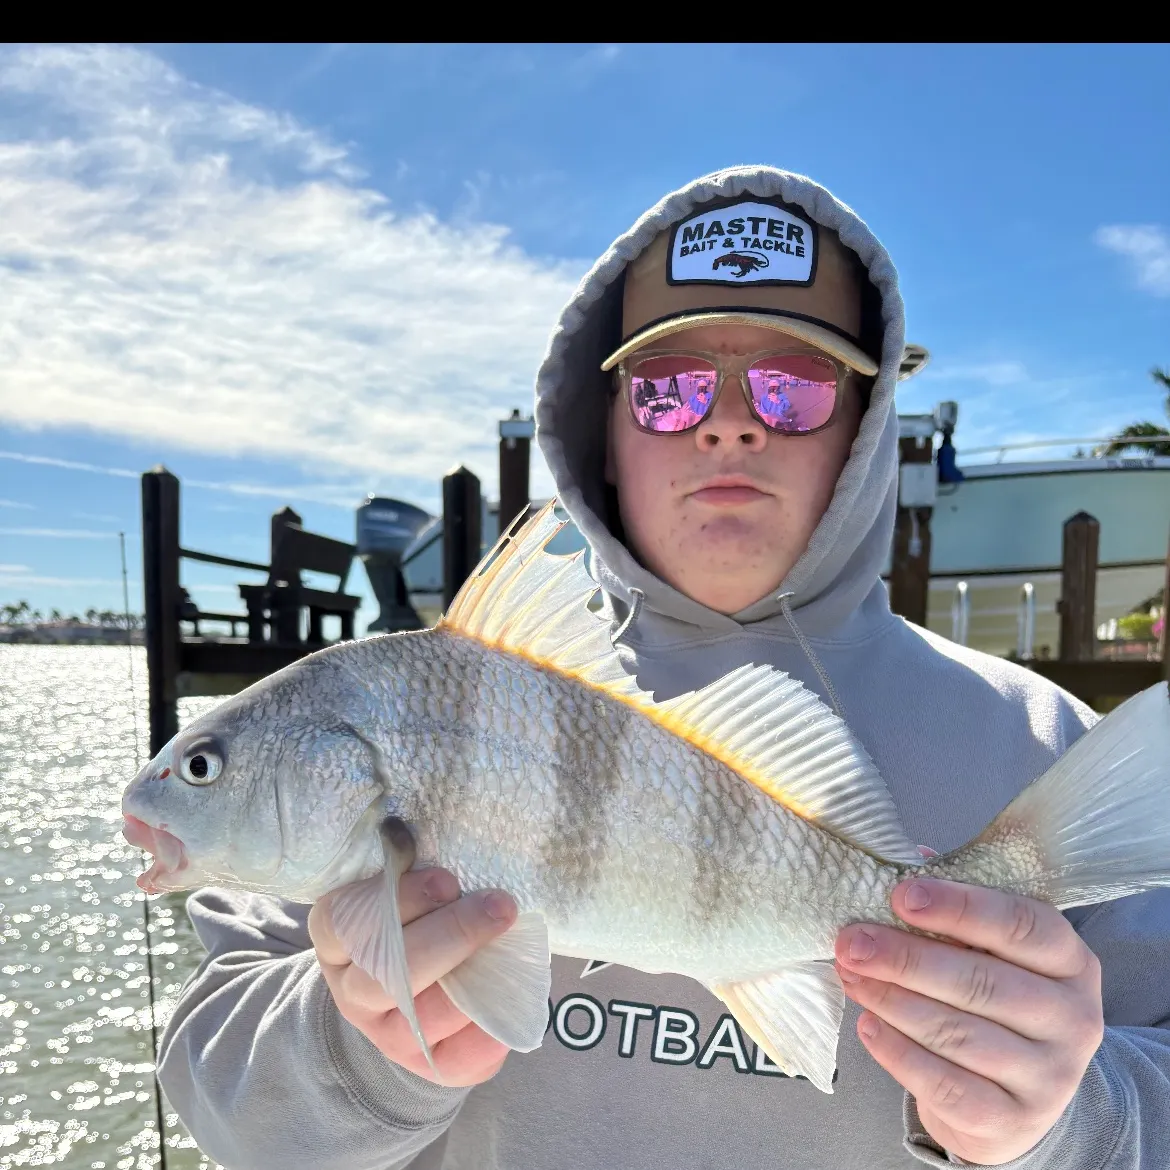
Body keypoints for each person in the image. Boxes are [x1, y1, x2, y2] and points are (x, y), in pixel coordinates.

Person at [157, 167, 1170, 1169]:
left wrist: (1072, 1124)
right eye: (670, 388)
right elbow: (221, 1103)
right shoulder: (381, 716)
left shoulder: (1043, 745)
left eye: (795, 384)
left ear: (865, 426)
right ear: (603, 428)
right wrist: (356, 1047)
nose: (731, 422)